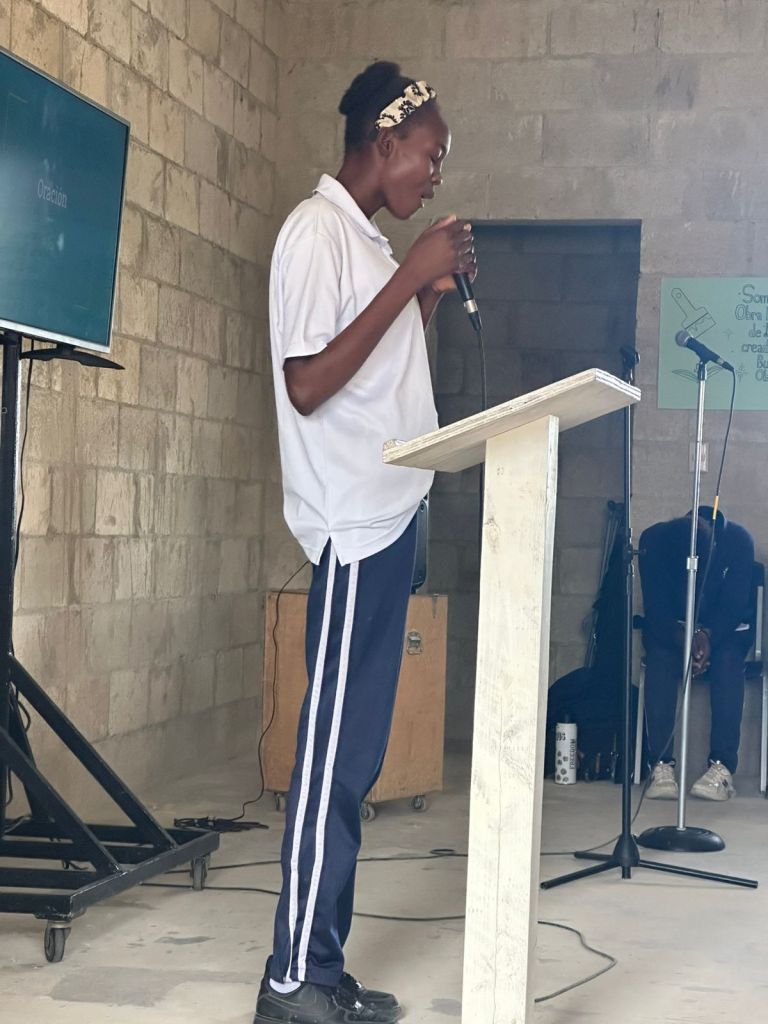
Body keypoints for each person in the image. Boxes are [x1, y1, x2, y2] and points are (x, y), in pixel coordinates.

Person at [254, 62, 475, 1024]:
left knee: (357, 761)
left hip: (390, 524)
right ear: (384, 145)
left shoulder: (370, 249)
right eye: (430, 155)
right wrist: (412, 275)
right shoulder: (316, 232)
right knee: (331, 762)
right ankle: (291, 982)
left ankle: (323, 966)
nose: (436, 174)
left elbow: (376, 373)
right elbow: (307, 382)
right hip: (352, 531)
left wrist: (425, 294)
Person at [639, 506, 754, 802]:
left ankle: (722, 769)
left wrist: (707, 636)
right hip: (673, 630)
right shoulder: (655, 541)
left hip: (724, 630)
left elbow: (734, 604)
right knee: (660, 658)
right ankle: (660, 766)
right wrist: (684, 638)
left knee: (729, 662)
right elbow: (656, 609)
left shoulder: (738, 541)